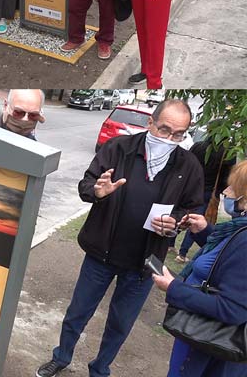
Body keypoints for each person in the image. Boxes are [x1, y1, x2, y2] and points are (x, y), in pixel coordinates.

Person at [35, 99, 204, 377]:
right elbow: (86, 185)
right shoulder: (119, 149)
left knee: (120, 323)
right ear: (151, 123)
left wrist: (176, 222)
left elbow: (191, 207)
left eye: (178, 134)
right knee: (78, 312)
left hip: (144, 263)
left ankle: (100, 369)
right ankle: (61, 357)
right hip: (101, 252)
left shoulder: (188, 164)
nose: (170, 139)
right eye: (164, 130)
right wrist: (98, 191)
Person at [151, 160, 247, 377]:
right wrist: (205, 232)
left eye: (233, 188)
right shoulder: (238, 229)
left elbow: (231, 309)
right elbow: (227, 262)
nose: (225, 191)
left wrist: (173, 287)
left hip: (210, 341)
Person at [177, 136, 236, 262]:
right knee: (196, 220)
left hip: (189, 186)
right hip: (208, 191)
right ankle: (182, 253)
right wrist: (219, 192)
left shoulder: (198, 146)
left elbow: (186, 164)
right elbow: (227, 176)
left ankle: (170, 243)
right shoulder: (227, 152)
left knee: (181, 213)